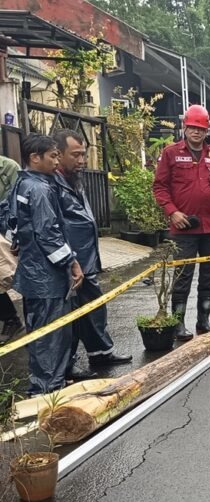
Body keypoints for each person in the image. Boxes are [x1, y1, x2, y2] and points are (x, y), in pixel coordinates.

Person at [52, 129, 133, 378]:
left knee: (95, 307)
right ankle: (67, 365)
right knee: (71, 316)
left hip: (87, 259)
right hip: (69, 262)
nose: (81, 161)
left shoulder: (74, 180)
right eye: (75, 155)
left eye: (83, 155)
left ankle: (101, 352)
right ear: (58, 154)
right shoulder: (50, 184)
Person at [10, 134, 83, 395]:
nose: (56, 161)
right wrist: (72, 262)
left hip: (32, 272)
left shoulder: (22, 183)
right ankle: (47, 389)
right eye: (52, 156)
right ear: (35, 157)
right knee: (51, 335)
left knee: (40, 330)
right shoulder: (40, 189)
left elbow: (9, 219)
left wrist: (17, 241)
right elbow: (48, 233)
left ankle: (48, 383)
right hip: (46, 276)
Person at [153, 105, 210, 341]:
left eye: (201, 129)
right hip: (184, 226)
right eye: (192, 128)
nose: (196, 132)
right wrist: (172, 212)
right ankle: (178, 324)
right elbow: (160, 187)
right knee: (182, 276)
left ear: (206, 131)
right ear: (185, 128)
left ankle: (204, 320)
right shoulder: (171, 153)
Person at [0, 155, 22, 343]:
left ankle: (11, 319)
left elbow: (13, 203)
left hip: (4, 228)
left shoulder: (8, 167)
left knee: (2, 276)